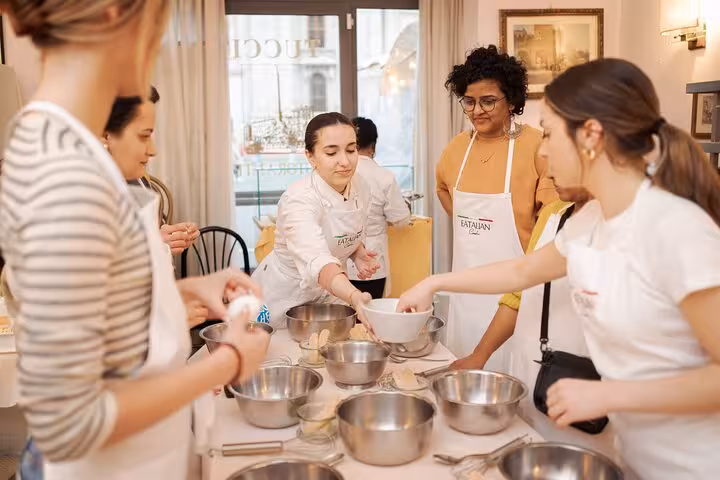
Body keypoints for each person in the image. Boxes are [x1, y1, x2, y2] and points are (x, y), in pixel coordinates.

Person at [398, 58, 720, 480]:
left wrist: (611, 393)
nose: (543, 148)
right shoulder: (589, 220)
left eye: (550, 132)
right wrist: (433, 281)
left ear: (591, 136)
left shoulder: (676, 228)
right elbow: (520, 273)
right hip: (635, 453)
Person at [0, 2, 269, 480]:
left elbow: (100, 308)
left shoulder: (74, 152)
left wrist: (186, 290)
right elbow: (73, 422)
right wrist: (227, 362)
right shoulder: (64, 176)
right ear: (114, 15)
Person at [450, 182, 618, 460]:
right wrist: (479, 355)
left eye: (553, 142)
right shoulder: (555, 216)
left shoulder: (629, 229)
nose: (547, 165)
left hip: (585, 395)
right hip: (532, 384)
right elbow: (519, 290)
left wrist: (617, 394)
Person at [436, 45, 557, 362]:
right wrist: (471, 224)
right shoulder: (456, 148)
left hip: (516, 291)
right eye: (469, 101)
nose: (477, 110)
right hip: (465, 290)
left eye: (488, 101)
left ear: (513, 101)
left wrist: (523, 239)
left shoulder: (537, 146)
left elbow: (553, 216)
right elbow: (442, 189)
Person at [251, 112, 379, 329]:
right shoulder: (298, 199)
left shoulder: (362, 188)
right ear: (310, 157)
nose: (345, 161)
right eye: (331, 152)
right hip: (283, 296)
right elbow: (317, 259)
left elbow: (348, 230)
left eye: (351, 149)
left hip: (330, 293)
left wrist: (357, 253)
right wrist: (354, 295)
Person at [103, 86, 200, 256]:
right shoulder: (93, 193)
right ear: (106, 135)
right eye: (144, 136)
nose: (152, 150)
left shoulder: (141, 180)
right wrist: (154, 244)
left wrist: (168, 235)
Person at [346, 117, 410, 299]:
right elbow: (401, 220)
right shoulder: (384, 177)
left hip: (340, 261)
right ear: (373, 146)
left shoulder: (339, 173)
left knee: (345, 318)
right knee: (371, 317)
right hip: (373, 260)